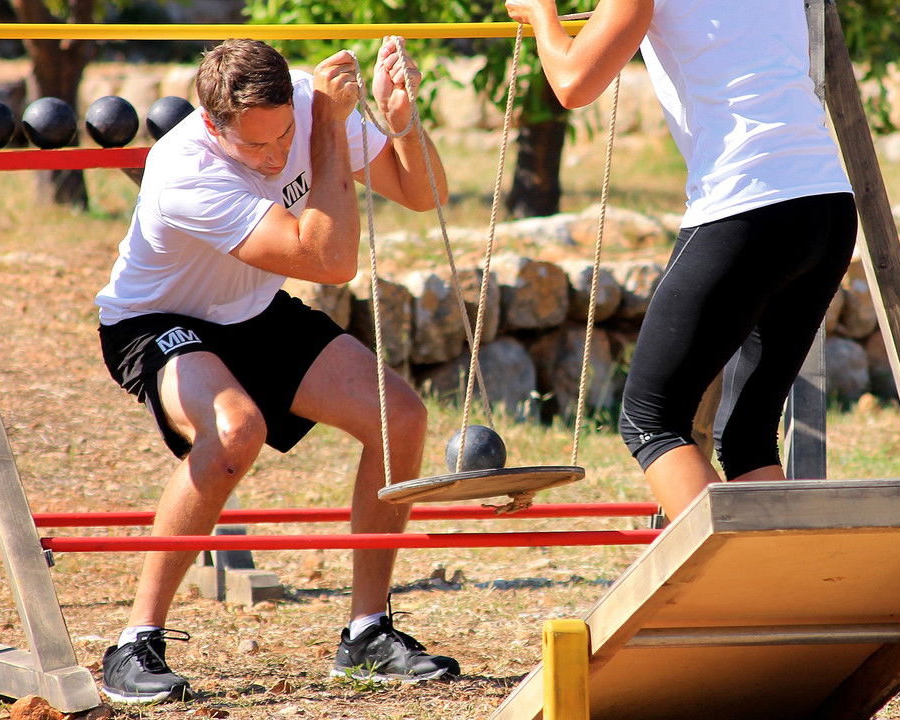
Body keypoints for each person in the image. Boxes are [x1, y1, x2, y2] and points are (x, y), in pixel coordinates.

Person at [94, 37, 459, 704]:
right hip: (153, 321)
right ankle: (133, 642)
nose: (271, 157)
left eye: (283, 137)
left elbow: (423, 191)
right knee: (236, 431)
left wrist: (401, 120)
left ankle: (368, 635)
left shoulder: (307, 104)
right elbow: (329, 260)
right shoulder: (184, 168)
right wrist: (322, 134)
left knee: (399, 416)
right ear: (212, 124)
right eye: (254, 147)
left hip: (251, 309)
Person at [504, 0, 857, 520]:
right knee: (748, 435)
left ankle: (735, 587)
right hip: (826, 205)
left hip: (748, 207)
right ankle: (783, 592)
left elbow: (573, 83)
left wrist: (541, 13)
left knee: (651, 419)